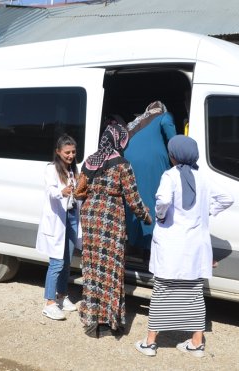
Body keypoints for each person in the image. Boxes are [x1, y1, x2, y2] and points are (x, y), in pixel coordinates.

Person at [134, 135, 234, 357]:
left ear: (173, 155)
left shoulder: (169, 176)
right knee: (194, 293)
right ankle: (196, 344)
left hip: (172, 244)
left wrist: (161, 217)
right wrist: (207, 211)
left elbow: (163, 201)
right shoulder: (203, 178)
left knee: (162, 291)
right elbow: (227, 198)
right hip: (195, 247)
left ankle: (150, 343)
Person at [76, 122, 152, 337]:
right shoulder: (122, 164)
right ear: (120, 141)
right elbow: (133, 199)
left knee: (92, 268)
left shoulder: (91, 160)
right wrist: (146, 217)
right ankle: (110, 322)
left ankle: (92, 321)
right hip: (111, 220)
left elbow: (78, 192)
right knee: (111, 271)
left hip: (90, 218)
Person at [35, 134, 81, 320]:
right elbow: (51, 190)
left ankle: (62, 296)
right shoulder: (51, 169)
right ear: (58, 152)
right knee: (56, 263)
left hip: (71, 217)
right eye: (67, 152)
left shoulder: (73, 170)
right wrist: (61, 192)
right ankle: (49, 302)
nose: (70, 155)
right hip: (57, 219)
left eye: (73, 152)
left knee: (67, 261)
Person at [123, 101, 177, 258]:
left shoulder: (136, 122)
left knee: (134, 201)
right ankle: (149, 248)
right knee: (153, 201)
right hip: (152, 165)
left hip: (130, 163)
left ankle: (132, 244)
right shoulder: (164, 116)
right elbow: (172, 137)